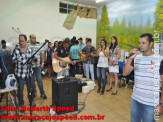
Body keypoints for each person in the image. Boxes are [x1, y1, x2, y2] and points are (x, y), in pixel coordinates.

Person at [123, 33, 163, 122]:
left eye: (143, 43)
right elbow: (125, 73)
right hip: (135, 100)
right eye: (139, 43)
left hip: (151, 104)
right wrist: (130, 58)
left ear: (151, 44)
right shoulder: (136, 58)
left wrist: (161, 104)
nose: (140, 45)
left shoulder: (159, 60)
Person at [12, 34, 35, 109]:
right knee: (20, 90)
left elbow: (34, 59)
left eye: (22, 41)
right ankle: (21, 104)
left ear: (26, 41)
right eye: (20, 41)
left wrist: (33, 61)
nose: (21, 42)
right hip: (20, 74)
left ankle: (31, 101)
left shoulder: (30, 49)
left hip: (29, 73)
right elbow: (13, 61)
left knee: (30, 89)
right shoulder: (16, 51)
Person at [29, 34, 47, 99]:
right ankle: (34, 92)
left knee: (39, 80)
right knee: (32, 81)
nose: (34, 39)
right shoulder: (28, 46)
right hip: (30, 67)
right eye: (33, 38)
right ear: (30, 39)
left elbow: (42, 55)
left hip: (37, 67)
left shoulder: (39, 46)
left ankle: (42, 93)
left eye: (35, 38)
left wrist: (42, 63)